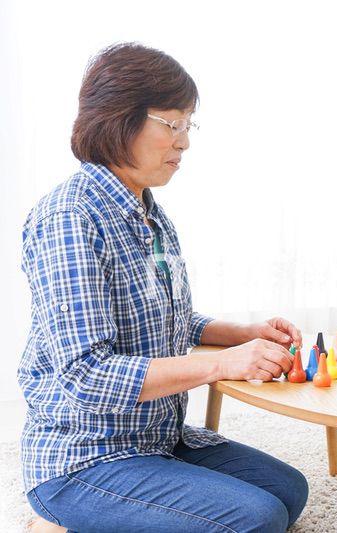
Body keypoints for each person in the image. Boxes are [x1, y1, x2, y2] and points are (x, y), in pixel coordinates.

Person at [19, 43, 308, 533]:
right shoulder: (70, 219)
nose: (184, 142)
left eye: (188, 125)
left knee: (287, 491)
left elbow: (163, 317)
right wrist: (220, 364)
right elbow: (86, 374)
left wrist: (238, 333)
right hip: (86, 457)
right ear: (119, 121)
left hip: (156, 438)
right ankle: (59, 518)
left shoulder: (148, 211)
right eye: (172, 124)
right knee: (255, 520)